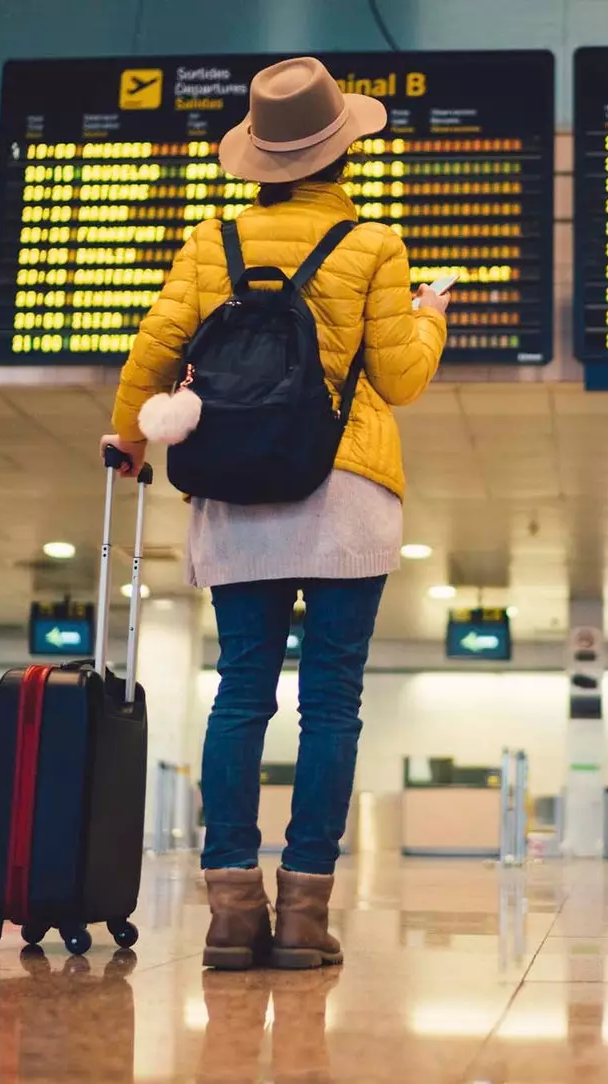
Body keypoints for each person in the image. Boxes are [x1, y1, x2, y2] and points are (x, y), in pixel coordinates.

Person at [100, 56, 449, 970]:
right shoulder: (374, 244)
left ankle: (228, 913)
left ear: (259, 159)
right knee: (332, 701)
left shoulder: (212, 241)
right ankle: (303, 915)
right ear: (343, 152)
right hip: (345, 491)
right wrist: (431, 315)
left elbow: (158, 342)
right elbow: (401, 378)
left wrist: (128, 437)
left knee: (242, 693)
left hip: (238, 487)